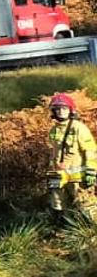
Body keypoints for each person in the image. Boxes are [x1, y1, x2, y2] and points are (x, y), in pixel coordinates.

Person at [48, 92, 96, 221]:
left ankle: (92, 229)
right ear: (53, 111)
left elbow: (90, 150)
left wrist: (91, 170)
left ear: (70, 110)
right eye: (57, 109)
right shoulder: (53, 130)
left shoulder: (79, 128)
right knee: (59, 206)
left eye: (64, 108)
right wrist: (51, 171)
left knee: (86, 206)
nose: (61, 111)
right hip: (58, 175)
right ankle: (65, 228)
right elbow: (54, 153)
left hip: (77, 177)